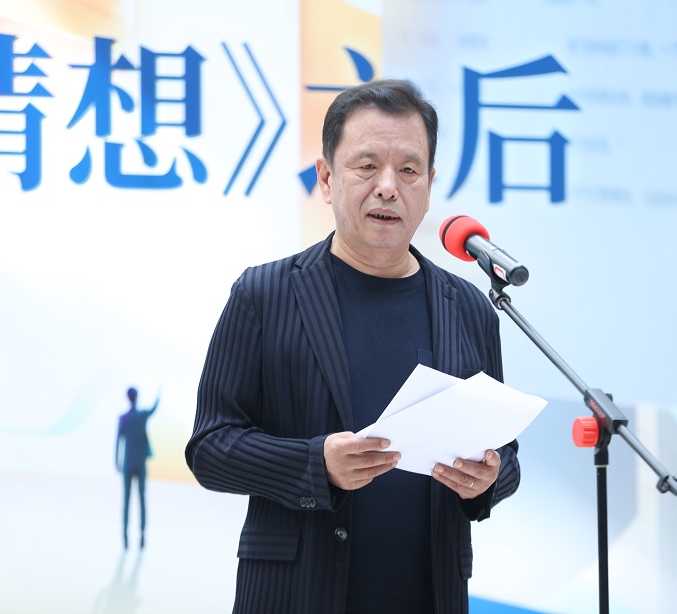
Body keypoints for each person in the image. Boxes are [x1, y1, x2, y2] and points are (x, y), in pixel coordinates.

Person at [185, 78, 521, 614]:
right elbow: (210, 448)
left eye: (408, 170)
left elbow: (505, 456)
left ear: (429, 185)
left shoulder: (468, 307)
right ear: (327, 178)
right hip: (294, 599)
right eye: (367, 166)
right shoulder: (264, 295)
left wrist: (487, 479)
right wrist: (316, 465)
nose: (388, 187)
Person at [116, 386, 159, 550]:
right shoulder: (141, 415)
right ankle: (141, 536)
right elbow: (153, 409)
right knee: (141, 500)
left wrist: (117, 461)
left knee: (127, 500)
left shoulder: (124, 418)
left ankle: (125, 537)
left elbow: (118, 441)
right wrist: (158, 396)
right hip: (139, 463)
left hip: (128, 463)